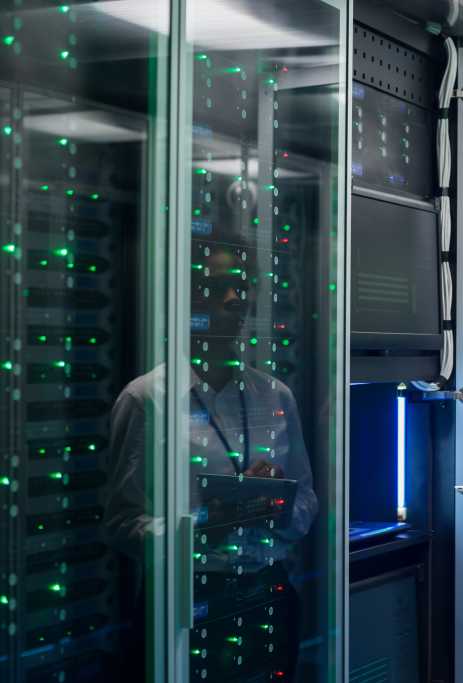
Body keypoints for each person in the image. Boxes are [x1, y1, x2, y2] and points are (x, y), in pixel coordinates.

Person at [103, 235, 317, 681]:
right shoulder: (148, 399)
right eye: (218, 286)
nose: (235, 299)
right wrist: (206, 520)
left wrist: (276, 505)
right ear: (186, 298)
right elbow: (122, 524)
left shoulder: (274, 394)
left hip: (268, 592)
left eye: (242, 287)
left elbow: (306, 503)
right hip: (186, 599)